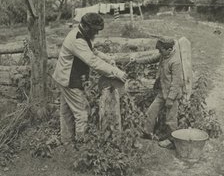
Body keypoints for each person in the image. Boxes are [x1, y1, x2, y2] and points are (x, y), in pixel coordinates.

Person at [52, 13, 127, 145]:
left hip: (64, 77)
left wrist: (107, 58)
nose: (97, 33)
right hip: (69, 79)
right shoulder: (77, 40)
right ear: (86, 26)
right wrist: (116, 72)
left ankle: (67, 142)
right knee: (82, 112)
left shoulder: (83, 34)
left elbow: (93, 52)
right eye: (95, 30)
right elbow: (93, 61)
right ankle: (82, 146)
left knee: (66, 111)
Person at [134, 37, 183, 148]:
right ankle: (147, 132)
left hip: (172, 95)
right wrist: (137, 60)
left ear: (169, 49)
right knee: (151, 111)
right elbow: (150, 59)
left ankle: (172, 141)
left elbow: (176, 83)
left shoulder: (175, 61)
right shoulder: (163, 55)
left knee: (170, 119)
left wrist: (170, 99)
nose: (159, 52)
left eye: (161, 50)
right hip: (162, 92)